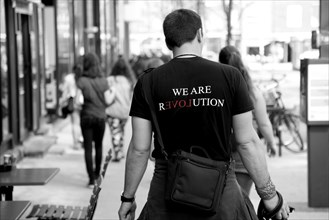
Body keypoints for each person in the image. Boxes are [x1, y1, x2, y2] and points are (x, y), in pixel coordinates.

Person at [118, 9, 291, 220]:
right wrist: (269, 195)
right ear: (200, 34)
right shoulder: (231, 77)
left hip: (166, 195)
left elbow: (139, 148)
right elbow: (247, 142)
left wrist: (128, 198)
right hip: (221, 195)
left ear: (167, 42)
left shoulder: (147, 83)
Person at [219, 45, 277, 196]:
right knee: (242, 204)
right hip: (244, 157)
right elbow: (263, 122)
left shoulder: (215, 89)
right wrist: (271, 142)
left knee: (220, 205)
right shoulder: (251, 91)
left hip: (219, 155)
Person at [77, 52, 115, 187]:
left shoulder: (81, 81)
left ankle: (91, 179)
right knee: (98, 146)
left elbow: (78, 101)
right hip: (100, 117)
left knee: (88, 148)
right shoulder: (103, 81)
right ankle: (97, 174)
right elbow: (108, 100)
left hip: (86, 116)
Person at [106, 56, 136, 162]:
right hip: (125, 111)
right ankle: (121, 151)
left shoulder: (110, 80)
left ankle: (117, 153)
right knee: (121, 131)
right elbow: (132, 97)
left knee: (115, 132)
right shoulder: (129, 81)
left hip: (112, 111)